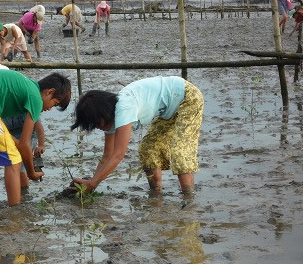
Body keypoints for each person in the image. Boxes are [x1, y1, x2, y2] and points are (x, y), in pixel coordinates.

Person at [0, 69, 71, 206]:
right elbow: (24, 145)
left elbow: (16, 141)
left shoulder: (27, 86)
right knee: (14, 160)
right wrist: (31, 172)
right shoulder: (36, 98)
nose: (50, 108)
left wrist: (26, 153)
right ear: (49, 92)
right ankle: (15, 211)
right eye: (55, 103)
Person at [71, 76, 204, 195]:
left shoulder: (124, 107)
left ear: (103, 112)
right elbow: (107, 155)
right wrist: (92, 185)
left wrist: (93, 183)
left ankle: (188, 198)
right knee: (148, 149)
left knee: (179, 152)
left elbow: (118, 154)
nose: (98, 128)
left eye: (96, 123)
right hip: (168, 111)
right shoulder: (110, 120)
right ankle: (156, 193)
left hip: (187, 97)